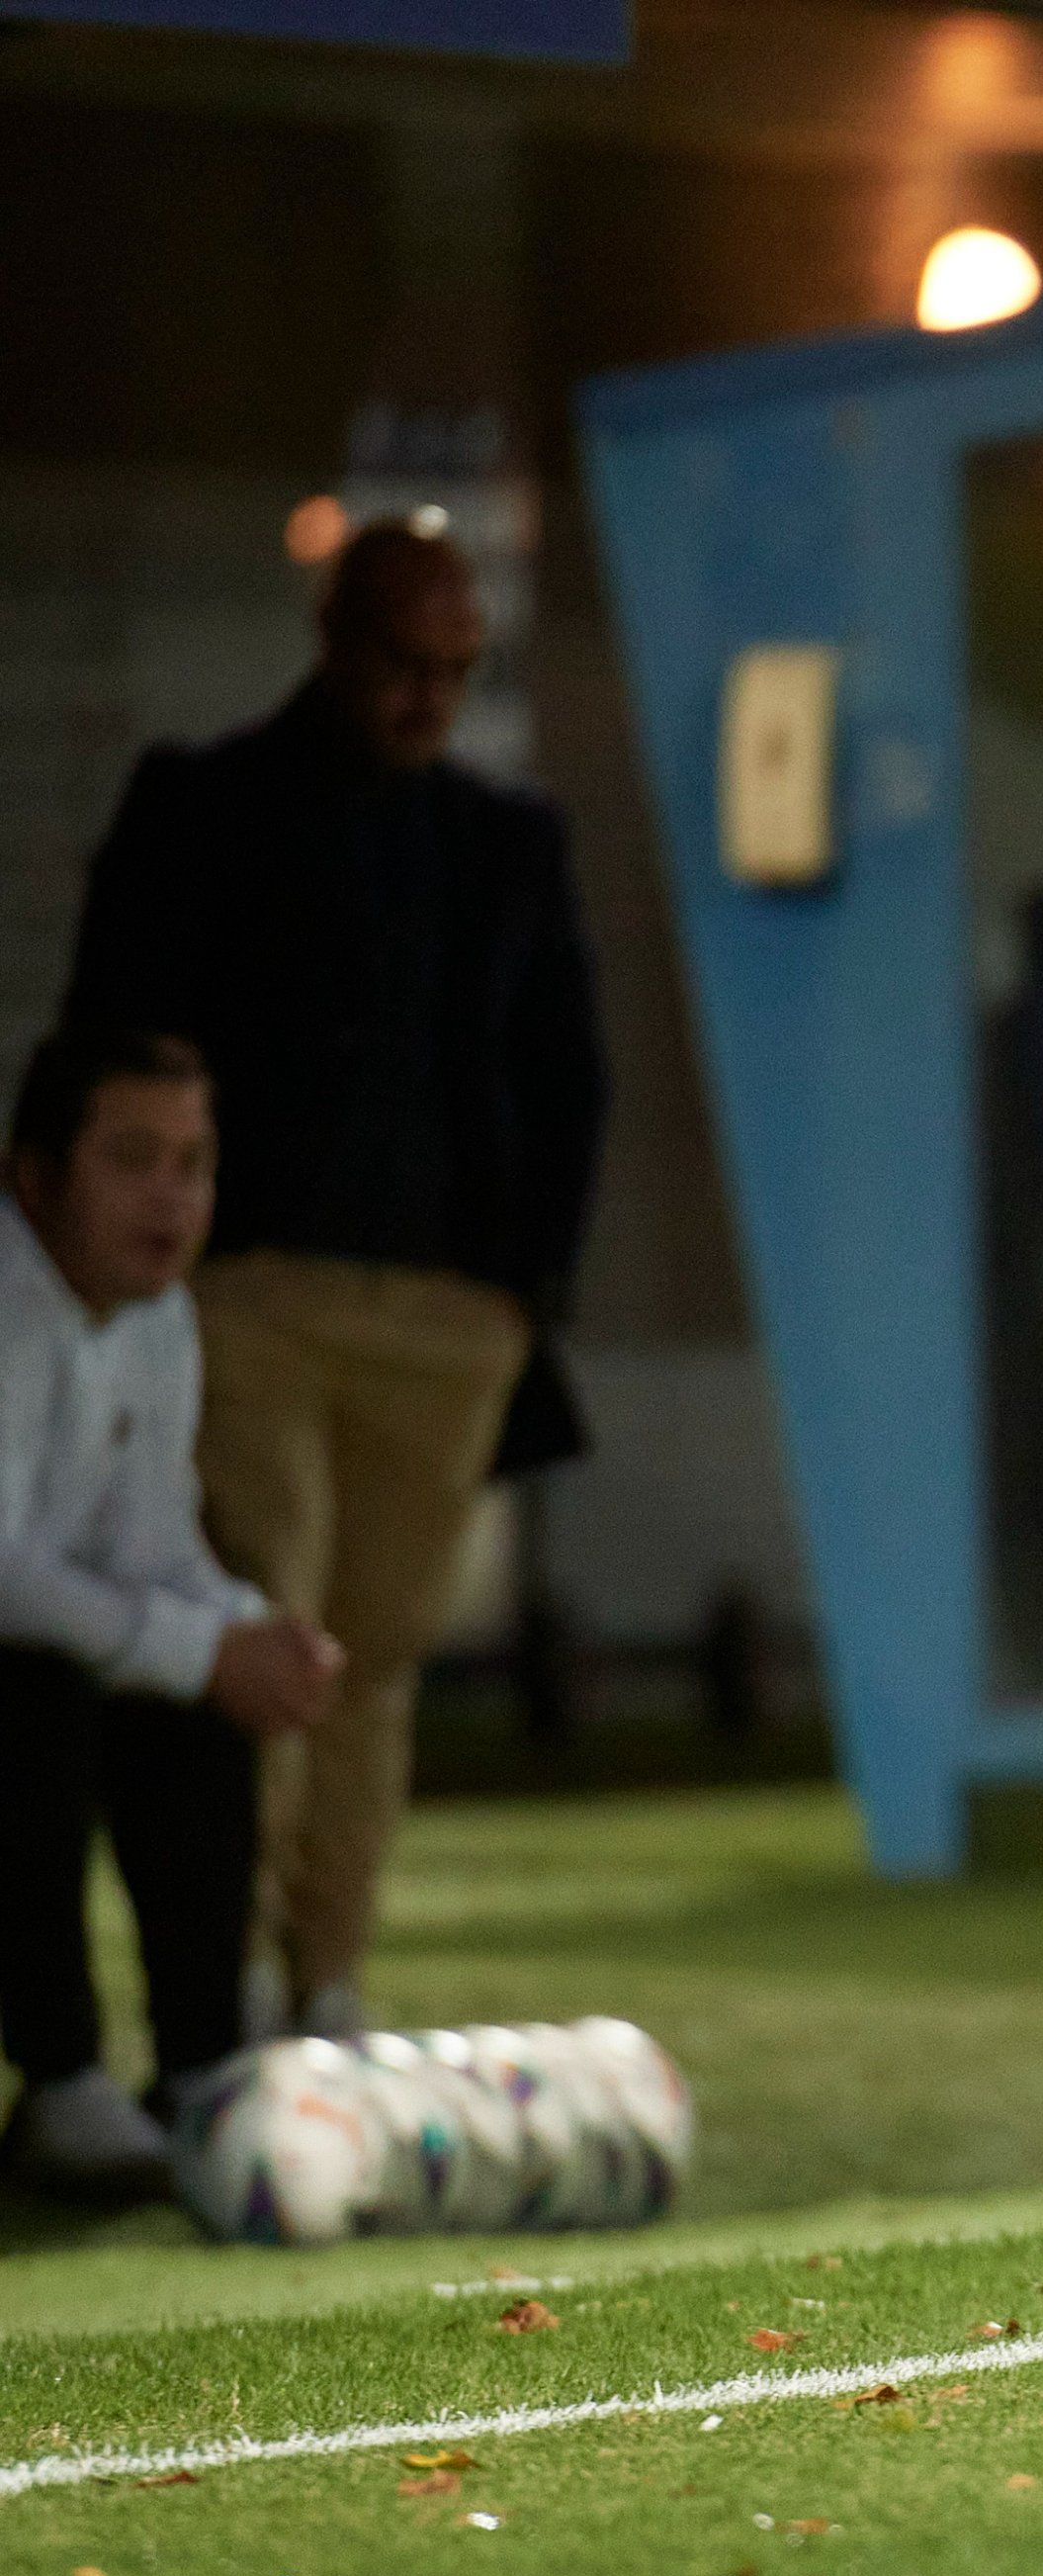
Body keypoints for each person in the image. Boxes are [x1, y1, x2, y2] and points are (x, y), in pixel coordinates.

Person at [68, 516, 609, 2045]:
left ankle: (324, 1990)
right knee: (264, 1619)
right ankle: (228, 1991)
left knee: (372, 1658)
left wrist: (522, 1295)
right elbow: (112, 1029)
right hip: (253, 1292)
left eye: (456, 670)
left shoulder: (509, 841)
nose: (426, 698)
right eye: (402, 662)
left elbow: (569, 1078)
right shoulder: (203, 802)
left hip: (446, 1316)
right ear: (333, 635)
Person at [0, 1030, 342, 2199]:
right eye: (132, 1157)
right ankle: (60, 2076)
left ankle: (202, 2068)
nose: (172, 1195)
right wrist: (204, 1648)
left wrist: (257, 1634)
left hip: (44, 1642)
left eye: (192, 1162)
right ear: (33, 1175)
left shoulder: (158, 1317)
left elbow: (154, 1546)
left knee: (196, 1696)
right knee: (37, 1699)